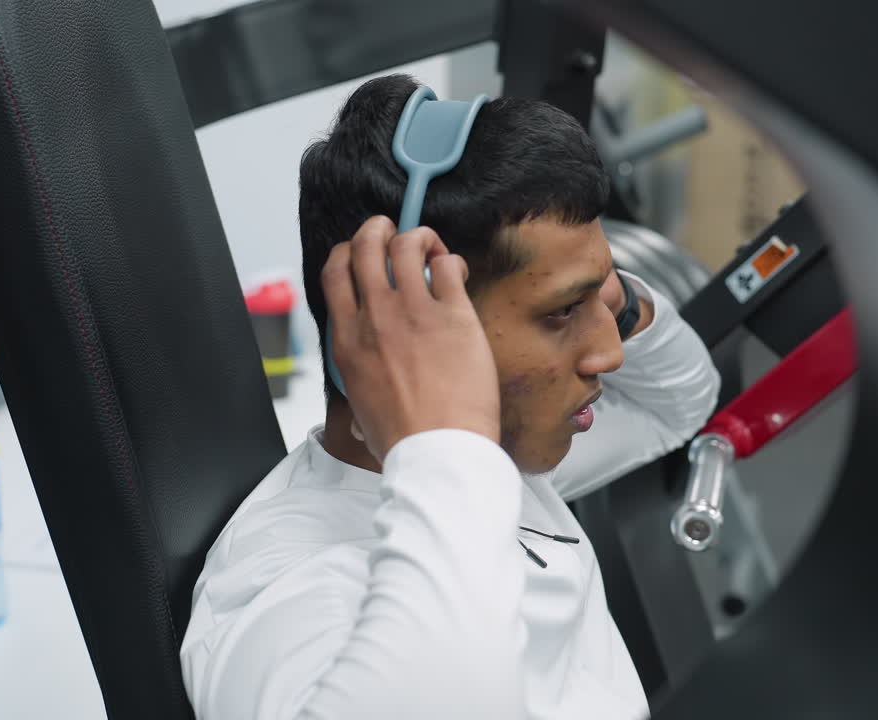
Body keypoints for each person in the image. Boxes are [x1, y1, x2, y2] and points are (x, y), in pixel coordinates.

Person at [180, 74, 720, 720]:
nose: (610, 352)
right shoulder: (291, 591)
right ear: (403, 323)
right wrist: (444, 448)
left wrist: (611, 294)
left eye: (598, 300)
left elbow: (674, 404)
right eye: (561, 311)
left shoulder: (490, 465)